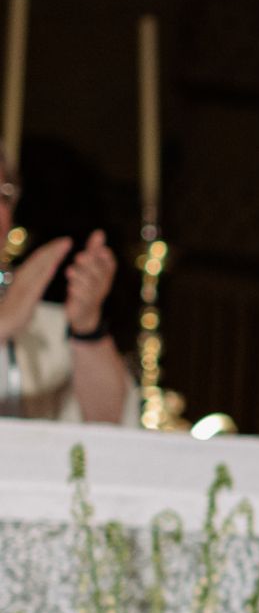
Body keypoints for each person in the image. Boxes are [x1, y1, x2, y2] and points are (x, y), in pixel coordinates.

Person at [0, 149, 132, 423]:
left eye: (3, 196)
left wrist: (87, 327)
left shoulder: (41, 327)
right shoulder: (14, 315)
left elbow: (111, 421)